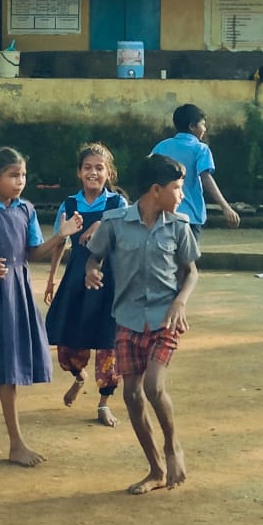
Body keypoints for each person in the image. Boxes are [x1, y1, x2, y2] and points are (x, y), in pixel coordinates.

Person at [0, 146, 83, 467]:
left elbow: (33, 253)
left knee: (5, 369)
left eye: (23, 175)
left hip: (18, 292)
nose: (20, 181)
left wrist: (61, 235)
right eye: (13, 175)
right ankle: (16, 444)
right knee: (7, 369)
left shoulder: (26, 210)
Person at [84, 153, 199, 494]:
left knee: (153, 386)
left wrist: (180, 301)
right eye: (177, 188)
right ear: (155, 190)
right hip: (127, 319)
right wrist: (92, 271)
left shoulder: (179, 226)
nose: (182, 195)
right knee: (132, 394)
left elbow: (191, 272)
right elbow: (94, 256)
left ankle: (173, 446)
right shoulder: (115, 223)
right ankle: (155, 469)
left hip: (165, 319)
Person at [43, 142, 127, 427]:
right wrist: (52, 279)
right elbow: (59, 242)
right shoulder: (69, 204)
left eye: (99, 168)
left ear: (109, 173)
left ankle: (104, 402)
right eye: (87, 168)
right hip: (76, 280)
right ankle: (79, 377)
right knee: (67, 341)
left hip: (108, 281)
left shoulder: (118, 204)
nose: (93, 173)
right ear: (79, 172)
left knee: (108, 344)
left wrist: (100, 225)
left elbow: (124, 233)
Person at [149, 103, 241, 248]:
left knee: (163, 256)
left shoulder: (161, 146)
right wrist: (225, 207)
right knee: (187, 259)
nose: (205, 129)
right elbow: (206, 178)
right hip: (190, 216)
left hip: (162, 214)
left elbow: (148, 174)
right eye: (202, 124)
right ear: (192, 126)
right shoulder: (200, 149)